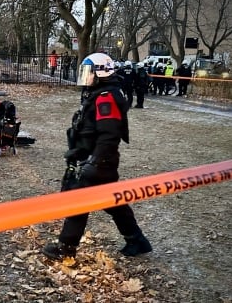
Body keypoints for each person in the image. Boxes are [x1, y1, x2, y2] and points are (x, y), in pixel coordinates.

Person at [41, 52, 152, 261]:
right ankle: (136, 240)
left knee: (79, 201)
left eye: (89, 72)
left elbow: (109, 134)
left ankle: (66, 247)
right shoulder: (99, 93)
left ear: (101, 73)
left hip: (98, 160)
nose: (86, 77)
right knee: (112, 201)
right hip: (98, 159)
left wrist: (95, 161)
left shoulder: (106, 97)